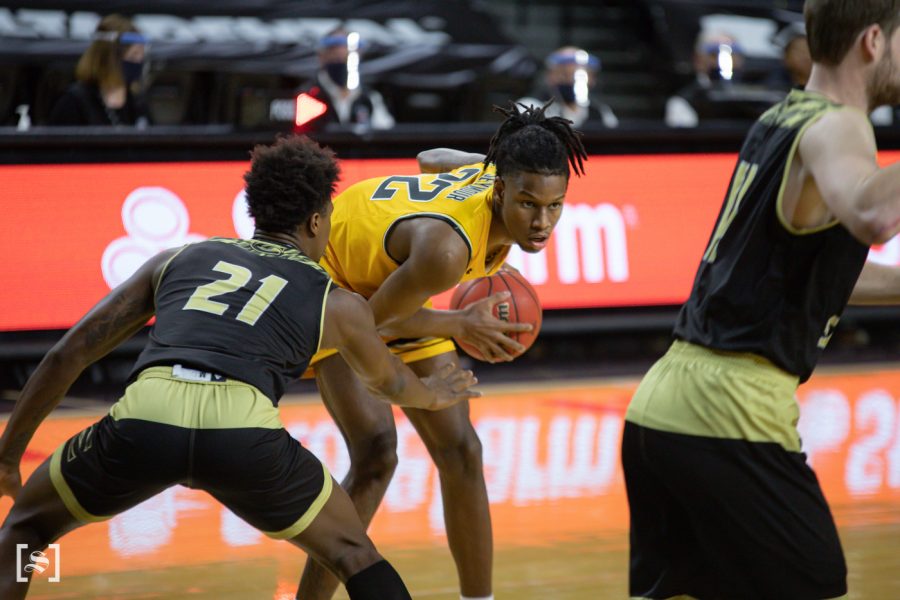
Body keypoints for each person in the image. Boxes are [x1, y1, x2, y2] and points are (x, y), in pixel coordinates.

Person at [0, 136, 479, 599]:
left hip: (148, 417)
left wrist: (7, 456)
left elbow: (71, 353)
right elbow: (389, 381)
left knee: (24, 529)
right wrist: (436, 393)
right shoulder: (338, 302)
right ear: (316, 222)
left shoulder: (179, 257)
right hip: (242, 433)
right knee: (356, 555)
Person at [623, 1, 900, 598]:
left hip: (661, 406)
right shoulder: (840, 125)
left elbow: (806, 273)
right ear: (874, 41)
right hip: (731, 413)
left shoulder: (782, 117)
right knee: (815, 585)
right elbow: (875, 214)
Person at [296, 102, 587, 600]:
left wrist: (498, 169)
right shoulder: (448, 253)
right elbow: (367, 324)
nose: (542, 222)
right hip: (332, 281)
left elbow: (431, 157)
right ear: (500, 191)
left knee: (462, 450)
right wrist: (457, 323)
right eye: (527, 204)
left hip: (389, 282)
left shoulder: (487, 176)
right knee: (376, 456)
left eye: (554, 206)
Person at [49, 14, 150, 127]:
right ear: (110, 58)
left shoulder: (137, 102)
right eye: (133, 56)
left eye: (141, 56)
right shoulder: (74, 102)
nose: (139, 62)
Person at [665, 31, 779, 127]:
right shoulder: (684, 101)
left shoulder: (760, 96)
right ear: (698, 60)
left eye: (732, 54)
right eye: (714, 54)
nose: (723, 61)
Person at [299, 28, 395, 131]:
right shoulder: (307, 96)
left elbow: (385, 132)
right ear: (321, 56)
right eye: (335, 56)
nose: (341, 58)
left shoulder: (369, 97)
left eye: (347, 57)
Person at [518, 46, 619, 128]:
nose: (573, 80)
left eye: (582, 75)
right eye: (566, 74)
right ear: (550, 76)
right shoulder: (531, 107)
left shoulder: (599, 112)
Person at [766, 21, 813, 93]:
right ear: (785, 56)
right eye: (799, 51)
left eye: (810, 51)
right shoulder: (774, 88)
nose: (806, 56)